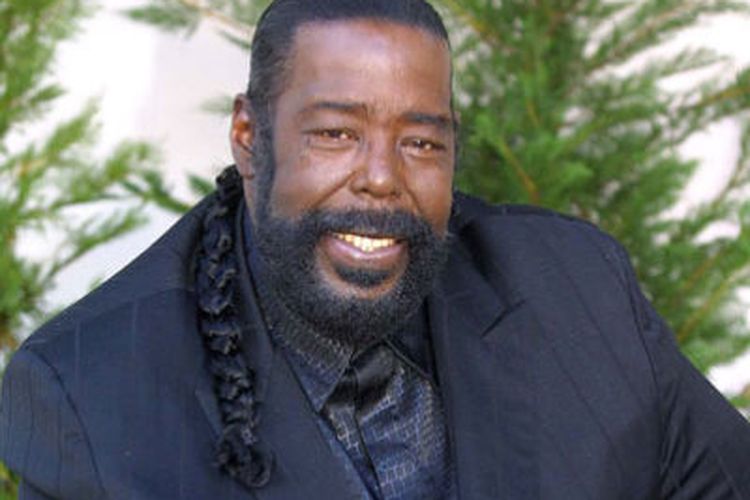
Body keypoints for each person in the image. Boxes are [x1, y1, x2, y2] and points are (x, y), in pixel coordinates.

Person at [2, 0, 750, 498]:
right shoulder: (88, 397)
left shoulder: (575, 290)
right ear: (249, 138)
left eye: (421, 142)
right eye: (337, 133)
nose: (383, 179)